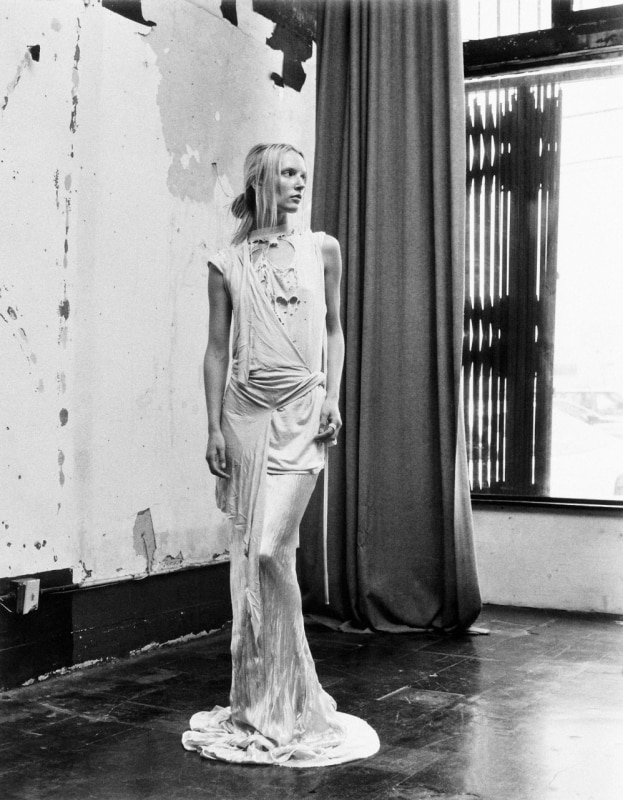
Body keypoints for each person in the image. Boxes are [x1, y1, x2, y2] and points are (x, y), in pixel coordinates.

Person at [181, 143, 379, 767]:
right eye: (288, 174)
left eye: (303, 174)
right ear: (262, 181)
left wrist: (333, 396)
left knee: (270, 549)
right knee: (251, 559)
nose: (299, 184)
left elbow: (335, 330)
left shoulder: (323, 249)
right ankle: (264, 701)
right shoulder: (227, 262)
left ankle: (294, 695)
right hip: (244, 417)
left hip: (302, 414)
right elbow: (217, 350)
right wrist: (212, 427)